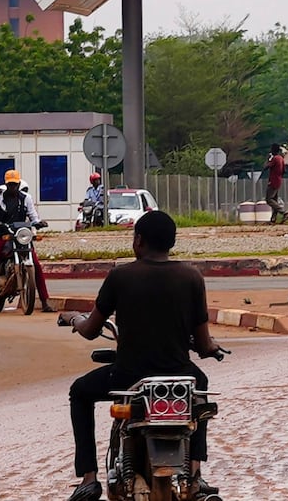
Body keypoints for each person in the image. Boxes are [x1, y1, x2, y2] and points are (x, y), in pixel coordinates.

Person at [59, 211, 224, 501]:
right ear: (171, 242)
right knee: (199, 391)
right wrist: (212, 350)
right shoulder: (191, 277)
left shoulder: (121, 276)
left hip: (128, 375)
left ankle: (88, 478)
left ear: (139, 241)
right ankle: (195, 475)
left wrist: (73, 318)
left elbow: (90, 329)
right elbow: (203, 342)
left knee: (80, 393)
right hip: (179, 374)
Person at [0, 170, 53, 315]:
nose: (13, 187)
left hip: (20, 236)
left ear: (19, 183)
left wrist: (39, 223)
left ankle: (45, 302)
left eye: (15, 184)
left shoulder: (25, 198)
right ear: (6, 184)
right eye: (11, 184)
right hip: (0, 235)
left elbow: (33, 216)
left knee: (37, 265)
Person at [264, 144, 288, 224]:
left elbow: (265, 167)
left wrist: (268, 159)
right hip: (279, 180)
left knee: (269, 199)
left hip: (273, 181)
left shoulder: (275, 159)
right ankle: (273, 219)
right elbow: (284, 171)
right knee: (274, 200)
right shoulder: (281, 159)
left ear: (273, 150)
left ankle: (284, 212)